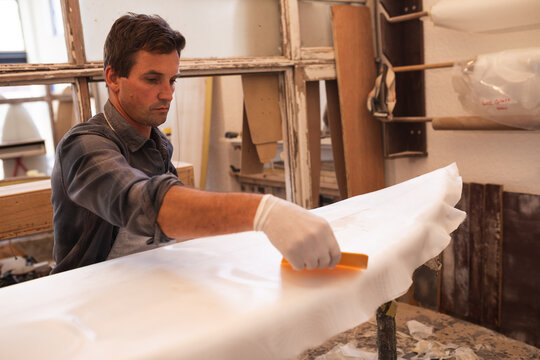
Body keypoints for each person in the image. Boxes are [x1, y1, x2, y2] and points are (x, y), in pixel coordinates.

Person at [51, 13, 341, 274]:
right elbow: (142, 204)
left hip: (146, 280)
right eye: (152, 80)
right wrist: (263, 211)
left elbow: (168, 232)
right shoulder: (83, 145)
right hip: (90, 300)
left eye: (172, 80)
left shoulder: (157, 143)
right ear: (113, 77)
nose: (167, 94)